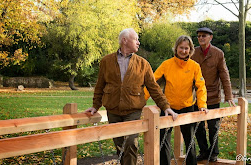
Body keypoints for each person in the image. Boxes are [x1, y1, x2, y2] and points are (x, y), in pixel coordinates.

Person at [85, 28, 178, 165]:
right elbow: (100, 86)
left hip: (133, 111)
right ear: (125, 40)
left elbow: (153, 87)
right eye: (136, 39)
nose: (138, 43)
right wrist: (95, 106)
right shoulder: (106, 61)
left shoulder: (143, 64)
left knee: (130, 143)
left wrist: (166, 106)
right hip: (113, 110)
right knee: (119, 146)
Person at [145, 35, 208, 165]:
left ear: (190, 49)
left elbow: (201, 86)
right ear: (176, 48)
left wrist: (202, 104)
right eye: (181, 48)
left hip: (187, 107)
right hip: (168, 108)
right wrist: (141, 100)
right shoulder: (166, 64)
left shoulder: (194, 66)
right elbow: (152, 82)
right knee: (163, 140)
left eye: (186, 48)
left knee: (190, 139)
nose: (183, 51)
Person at [191, 27, 236, 162]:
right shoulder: (193, 52)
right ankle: (204, 151)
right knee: (198, 126)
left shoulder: (218, 53)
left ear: (211, 37)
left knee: (213, 126)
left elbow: (224, 75)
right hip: (196, 96)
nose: (201, 38)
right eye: (199, 36)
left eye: (204, 36)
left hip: (212, 96)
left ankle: (214, 153)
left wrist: (228, 96)